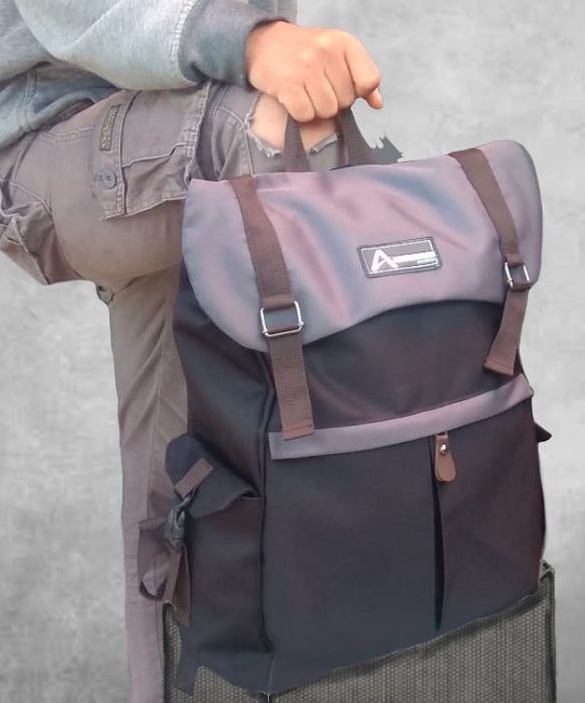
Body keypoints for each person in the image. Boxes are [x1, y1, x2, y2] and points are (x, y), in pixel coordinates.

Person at [0, 2, 384, 701]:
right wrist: (253, 42)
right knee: (281, 129)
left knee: (172, 475)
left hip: (176, 110)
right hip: (50, 134)